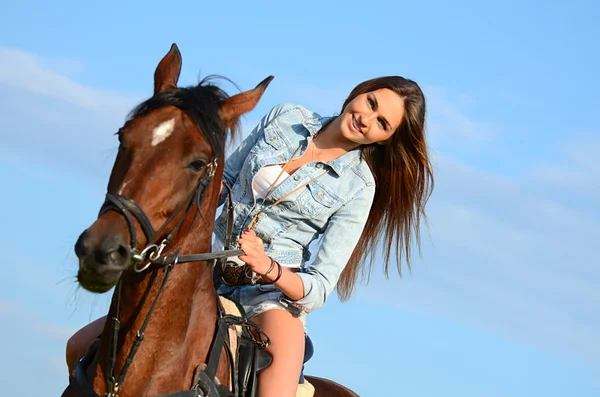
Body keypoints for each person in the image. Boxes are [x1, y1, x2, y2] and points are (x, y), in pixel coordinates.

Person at [65, 76, 434, 397]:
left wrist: (269, 268)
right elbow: (219, 181)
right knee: (77, 347)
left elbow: (320, 287)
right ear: (361, 91)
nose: (366, 118)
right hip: (201, 273)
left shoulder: (359, 187)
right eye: (371, 103)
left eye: (382, 123)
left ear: (386, 139)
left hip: (270, 300)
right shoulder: (286, 117)